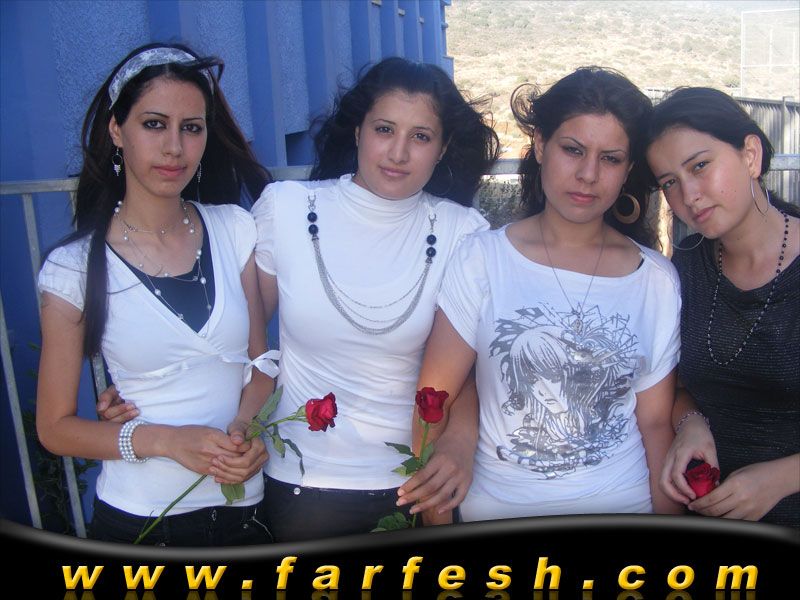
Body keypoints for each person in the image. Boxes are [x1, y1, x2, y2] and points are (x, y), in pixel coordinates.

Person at [404, 67, 683, 521]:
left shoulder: (655, 279)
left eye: (611, 159)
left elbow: (654, 424)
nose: (588, 174)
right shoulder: (483, 259)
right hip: (499, 512)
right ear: (539, 145)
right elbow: (435, 400)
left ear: (629, 169)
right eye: (573, 150)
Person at [36, 42, 276, 545]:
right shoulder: (73, 268)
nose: (174, 147)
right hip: (141, 521)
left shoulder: (234, 229)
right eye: (153, 124)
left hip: (243, 510)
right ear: (116, 130)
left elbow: (260, 366)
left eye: (192, 127)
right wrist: (166, 441)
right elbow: (54, 428)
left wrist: (246, 428)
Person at [250, 56, 500, 540]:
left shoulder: (462, 232)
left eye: (421, 137)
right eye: (384, 129)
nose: (398, 152)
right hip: (302, 484)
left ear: (443, 148)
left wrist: (461, 441)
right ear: (358, 131)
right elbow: (242, 341)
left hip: (417, 486)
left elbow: (473, 369)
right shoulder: (286, 209)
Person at [645, 87, 799, 528]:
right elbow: (676, 386)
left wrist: (781, 479)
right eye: (669, 182)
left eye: (700, 166)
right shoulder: (687, 268)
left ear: (750, 155)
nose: (689, 195)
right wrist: (692, 423)